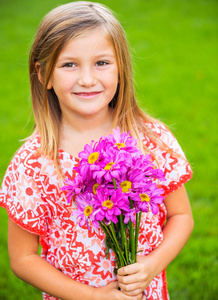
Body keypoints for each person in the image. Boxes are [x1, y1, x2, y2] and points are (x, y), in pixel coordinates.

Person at [0, 2, 194, 300]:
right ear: (44, 75)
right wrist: (94, 297)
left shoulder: (150, 139)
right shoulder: (33, 164)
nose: (87, 79)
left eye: (101, 63)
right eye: (69, 64)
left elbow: (181, 216)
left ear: (121, 68)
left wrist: (151, 265)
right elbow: (23, 259)